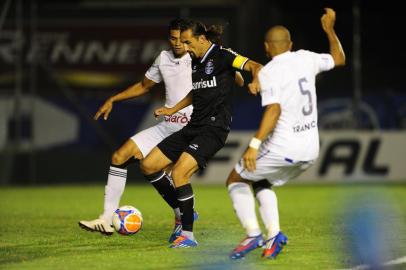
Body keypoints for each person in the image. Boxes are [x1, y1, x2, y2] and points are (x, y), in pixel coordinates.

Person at [78, 19, 244, 240]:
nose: (178, 44)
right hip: (167, 124)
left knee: (171, 173)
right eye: (173, 39)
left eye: (181, 39)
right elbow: (144, 86)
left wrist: (232, 67)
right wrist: (114, 99)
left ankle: (183, 220)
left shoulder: (199, 55)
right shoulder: (163, 59)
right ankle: (107, 218)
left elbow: (235, 78)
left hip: (192, 126)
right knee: (120, 155)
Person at [227, 7, 345, 260]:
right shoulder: (306, 58)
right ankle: (273, 236)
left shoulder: (269, 71)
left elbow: (274, 110)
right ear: (290, 44)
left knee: (236, 179)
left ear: (266, 47)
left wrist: (254, 144)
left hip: (284, 146)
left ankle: (252, 234)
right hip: (311, 149)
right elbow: (339, 58)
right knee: (261, 181)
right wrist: (329, 30)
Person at [141, 19, 262, 248]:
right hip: (193, 126)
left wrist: (255, 81)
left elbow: (256, 66)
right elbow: (195, 92)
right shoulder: (196, 61)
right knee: (149, 165)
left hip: (214, 129)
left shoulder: (225, 56)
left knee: (179, 174)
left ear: (202, 39)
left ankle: (187, 236)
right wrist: (172, 109)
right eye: (182, 43)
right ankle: (183, 209)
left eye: (188, 42)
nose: (184, 47)